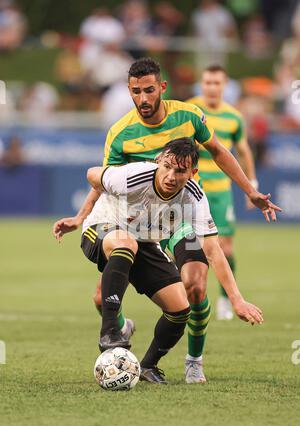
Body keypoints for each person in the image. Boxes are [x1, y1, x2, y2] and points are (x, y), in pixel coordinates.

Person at [53, 57, 280, 384]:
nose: (143, 99)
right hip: (130, 222)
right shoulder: (122, 137)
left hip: (177, 218)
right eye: (135, 92)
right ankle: (115, 331)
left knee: (193, 289)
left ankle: (192, 360)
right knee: (104, 294)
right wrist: (80, 217)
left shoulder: (188, 120)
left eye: (148, 90)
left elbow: (218, 153)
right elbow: (100, 179)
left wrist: (250, 191)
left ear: (162, 88)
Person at [79, 138, 263, 384]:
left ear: (192, 173)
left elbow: (213, 250)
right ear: (158, 162)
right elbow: (93, 174)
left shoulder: (194, 198)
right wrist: (82, 214)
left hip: (144, 241)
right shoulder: (133, 176)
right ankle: (111, 331)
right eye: (166, 167)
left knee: (180, 309)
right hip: (101, 229)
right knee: (125, 243)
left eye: (180, 171)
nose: (170, 176)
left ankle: (147, 366)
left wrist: (236, 300)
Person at [187, 64, 257, 321]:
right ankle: (189, 297)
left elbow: (244, 150)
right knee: (189, 247)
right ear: (201, 84)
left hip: (221, 191)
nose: (212, 87)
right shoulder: (190, 110)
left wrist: (253, 185)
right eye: (207, 82)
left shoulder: (234, 117)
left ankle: (226, 300)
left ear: (225, 86)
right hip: (192, 190)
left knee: (224, 248)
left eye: (217, 83)